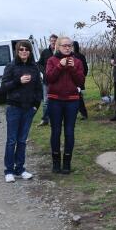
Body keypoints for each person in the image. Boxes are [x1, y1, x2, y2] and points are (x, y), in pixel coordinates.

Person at [0, 41, 43, 183]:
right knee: (12, 140)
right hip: (14, 108)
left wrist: (35, 106)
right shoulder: (11, 66)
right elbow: (4, 87)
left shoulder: (34, 67)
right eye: (21, 49)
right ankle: (9, 170)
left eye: (27, 50)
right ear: (17, 51)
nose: (24, 52)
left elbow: (38, 88)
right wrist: (18, 81)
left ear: (30, 52)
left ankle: (20, 169)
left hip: (28, 109)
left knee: (22, 141)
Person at [46, 36, 85, 174]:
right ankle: (56, 162)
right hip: (55, 100)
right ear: (58, 46)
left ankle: (67, 162)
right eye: (64, 45)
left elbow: (80, 82)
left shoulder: (78, 62)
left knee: (69, 131)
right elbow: (49, 78)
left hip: (72, 100)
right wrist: (60, 66)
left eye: (69, 45)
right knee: (56, 131)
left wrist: (73, 68)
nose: (67, 48)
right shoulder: (52, 60)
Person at [37, 34, 58, 127]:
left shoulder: (59, 52)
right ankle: (45, 119)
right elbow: (39, 64)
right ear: (50, 41)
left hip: (58, 80)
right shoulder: (45, 52)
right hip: (47, 80)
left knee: (57, 100)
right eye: (52, 40)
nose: (53, 42)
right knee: (46, 101)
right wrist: (44, 72)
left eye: (55, 41)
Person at [72, 40, 89, 120]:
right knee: (77, 97)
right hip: (77, 79)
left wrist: (81, 77)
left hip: (75, 80)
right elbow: (86, 68)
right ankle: (82, 113)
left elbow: (85, 68)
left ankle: (83, 113)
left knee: (77, 97)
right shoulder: (80, 56)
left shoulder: (75, 57)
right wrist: (82, 77)